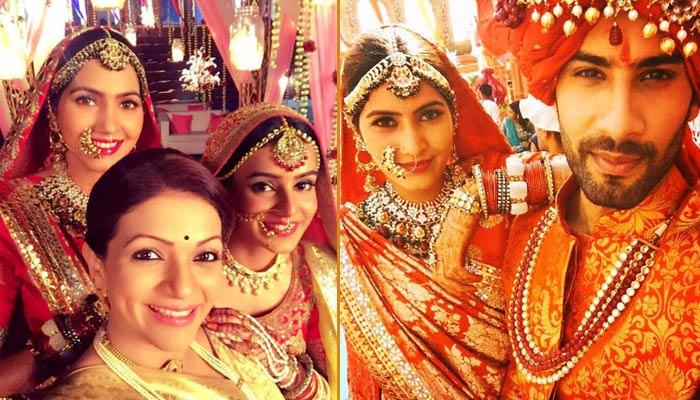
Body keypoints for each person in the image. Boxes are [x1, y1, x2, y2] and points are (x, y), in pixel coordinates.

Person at [476, 1, 700, 398]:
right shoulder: (521, 230)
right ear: (552, 88)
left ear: (693, 100)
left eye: (656, 75)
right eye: (590, 73)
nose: (620, 124)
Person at [339, 25, 569, 399]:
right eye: (385, 122)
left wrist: (478, 195)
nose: (413, 143)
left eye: (430, 115)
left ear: (454, 116)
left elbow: (598, 174)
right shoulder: (354, 238)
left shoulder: (500, 182)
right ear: (357, 132)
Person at [40, 148, 283, 399]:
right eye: (148, 255)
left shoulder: (229, 342)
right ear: (97, 266)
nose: (183, 288)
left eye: (205, 256)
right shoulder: (81, 394)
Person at [0, 27, 160, 394]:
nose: (109, 125)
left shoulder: (162, 200)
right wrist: (64, 340)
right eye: (87, 100)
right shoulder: (12, 213)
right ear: (53, 110)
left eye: (127, 103)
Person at [201, 103, 337, 399]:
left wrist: (285, 370)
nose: (289, 209)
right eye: (263, 186)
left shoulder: (319, 273)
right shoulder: (190, 269)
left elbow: (337, 390)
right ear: (223, 188)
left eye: (303, 185)